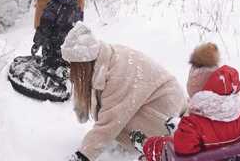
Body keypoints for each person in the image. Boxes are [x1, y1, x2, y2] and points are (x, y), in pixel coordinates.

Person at [61, 22, 186, 161]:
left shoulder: (117, 74)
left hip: (165, 116)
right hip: (170, 106)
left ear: (83, 63)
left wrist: (82, 156)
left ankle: (150, 145)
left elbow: (110, 121)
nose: (70, 71)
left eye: (73, 66)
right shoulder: (105, 58)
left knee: (118, 121)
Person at [131, 43, 240, 161]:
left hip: (194, 150)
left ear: (199, 94)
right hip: (227, 155)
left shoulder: (192, 126)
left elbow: (182, 150)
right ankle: (175, 127)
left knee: (164, 144)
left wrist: (181, 133)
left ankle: (145, 145)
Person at [30, 0, 82, 70]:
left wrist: (36, 43)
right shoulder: (75, 3)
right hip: (71, 44)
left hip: (54, 45)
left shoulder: (54, 5)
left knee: (50, 67)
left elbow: (44, 26)